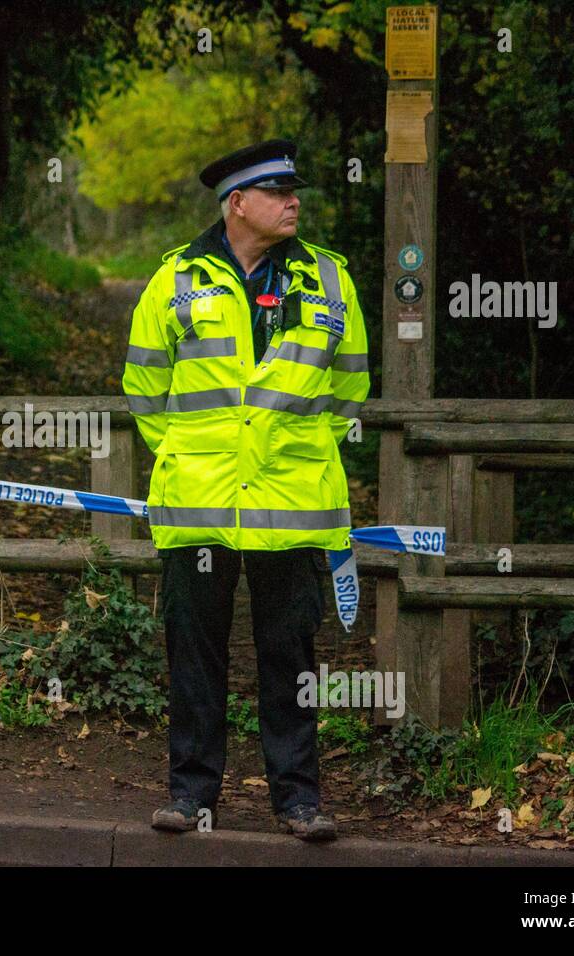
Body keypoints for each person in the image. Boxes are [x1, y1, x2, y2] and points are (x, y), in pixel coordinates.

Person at [121, 139, 370, 841]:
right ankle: (190, 797)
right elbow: (143, 387)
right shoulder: (175, 278)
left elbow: (350, 386)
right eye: (278, 192)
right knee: (194, 656)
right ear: (237, 204)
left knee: (290, 658)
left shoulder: (327, 277)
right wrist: (183, 455)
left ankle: (299, 802)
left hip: (292, 504)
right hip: (198, 503)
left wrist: (307, 446)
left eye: (295, 191)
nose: (294, 202)